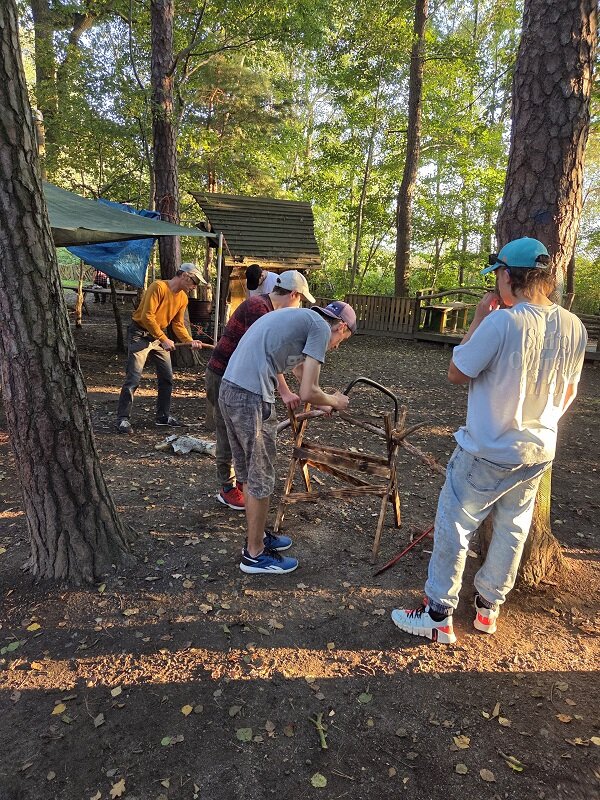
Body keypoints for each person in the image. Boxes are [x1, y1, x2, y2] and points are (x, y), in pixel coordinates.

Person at [391, 237, 587, 644]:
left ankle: (438, 614)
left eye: (497, 274)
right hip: (539, 450)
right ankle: (487, 610)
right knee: (513, 527)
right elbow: (568, 392)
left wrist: (480, 316)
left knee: (454, 524)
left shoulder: (503, 322)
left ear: (507, 275)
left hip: (487, 449)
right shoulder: (574, 326)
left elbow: (457, 371)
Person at [219, 300, 357, 574]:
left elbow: (296, 370)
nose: (338, 346)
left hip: (230, 389)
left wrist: (322, 402)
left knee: (247, 474)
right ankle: (255, 555)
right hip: (250, 397)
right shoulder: (319, 326)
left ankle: (255, 538)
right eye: (342, 339)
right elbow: (308, 390)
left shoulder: (301, 319)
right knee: (262, 476)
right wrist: (335, 400)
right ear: (340, 326)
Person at [206, 270, 316, 511]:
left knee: (240, 435)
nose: (299, 306)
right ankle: (226, 488)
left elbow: (289, 362)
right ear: (294, 294)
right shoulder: (259, 308)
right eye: (301, 300)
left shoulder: (269, 310)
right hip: (223, 374)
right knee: (227, 433)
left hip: (236, 377)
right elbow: (262, 355)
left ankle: (242, 484)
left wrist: (312, 390)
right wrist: (285, 392)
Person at [116, 263, 208, 435]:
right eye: (194, 281)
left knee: (167, 377)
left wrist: (189, 341)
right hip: (140, 334)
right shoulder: (158, 287)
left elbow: (178, 324)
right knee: (133, 378)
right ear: (185, 276)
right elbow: (147, 316)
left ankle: (163, 416)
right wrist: (164, 339)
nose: (195, 286)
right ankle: (122, 418)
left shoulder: (183, 298)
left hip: (159, 336)